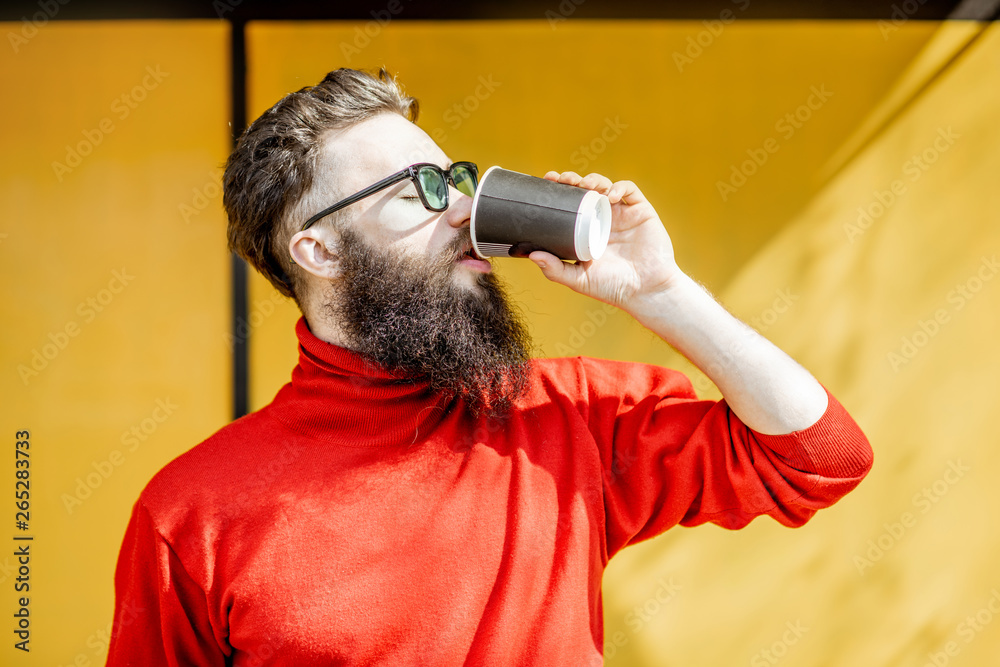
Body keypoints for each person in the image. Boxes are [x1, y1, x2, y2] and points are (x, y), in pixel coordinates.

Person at [106, 68, 873, 666]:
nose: (465, 211)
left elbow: (821, 456)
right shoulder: (190, 514)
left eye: (460, 177)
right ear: (320, 248)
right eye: (425, 188)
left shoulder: (562, 414)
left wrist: (662, 293)